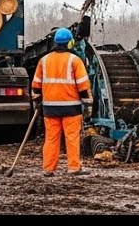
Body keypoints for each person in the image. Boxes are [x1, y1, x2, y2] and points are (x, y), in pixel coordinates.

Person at [30, 27, 92, 176]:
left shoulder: (44, 61)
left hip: (50, 108)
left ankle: (49, 169)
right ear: (69, 43)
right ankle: (73, 168)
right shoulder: (74, 60)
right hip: (71, 108)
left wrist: (38, 101)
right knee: (72, 138)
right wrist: (88, 105)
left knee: (51, 139)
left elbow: (36, 85)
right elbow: (83, 86)